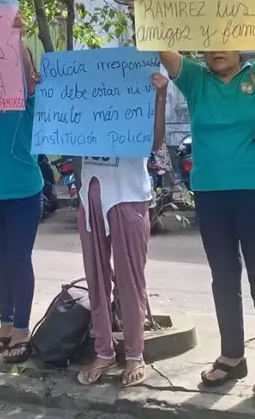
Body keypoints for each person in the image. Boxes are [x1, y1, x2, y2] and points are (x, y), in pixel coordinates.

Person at [126, 0, 255, 403]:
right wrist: (141, 5)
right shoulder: (194, 81)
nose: (215, 49)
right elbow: (162, 44)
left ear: (242, 43)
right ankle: (231, 356)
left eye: (225, 40)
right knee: (223, 277)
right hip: (210, 197)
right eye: (208, 42)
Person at [76, 71, 169, 388]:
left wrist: (160, 97)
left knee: (130, 279)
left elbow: (154, 142)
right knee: (96, 278)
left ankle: (134, 354)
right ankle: (103, 350)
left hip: (128, 195)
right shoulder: (84, 98)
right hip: (91, 195)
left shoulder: (137, 91)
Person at [0, 40, 42, 364]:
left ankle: (22, 329)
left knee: (18, 259)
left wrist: (13, 37)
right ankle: (6, 322)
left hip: (23, 194)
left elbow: (23, 65)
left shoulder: (29, 100)